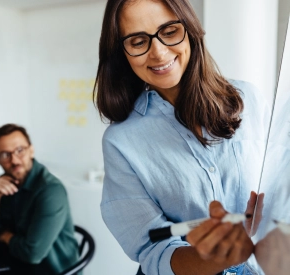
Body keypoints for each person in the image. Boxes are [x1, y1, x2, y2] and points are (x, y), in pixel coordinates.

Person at [94, 0, 269, 274]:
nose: (159, 52)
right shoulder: (121, 141)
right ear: (121, 52)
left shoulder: (249, 99)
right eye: (138, 41)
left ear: (189, 28)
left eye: (169, 31)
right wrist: (213, 258)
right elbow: (151, 248)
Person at [0, 124, 78, 275]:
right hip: (17, 265)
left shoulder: (50, 190)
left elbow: (32, 254)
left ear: (31, 150)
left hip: (52, 271)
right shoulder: (6, 182)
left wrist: (5, 236)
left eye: (20, 150)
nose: (14, 160)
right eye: (5, 154)